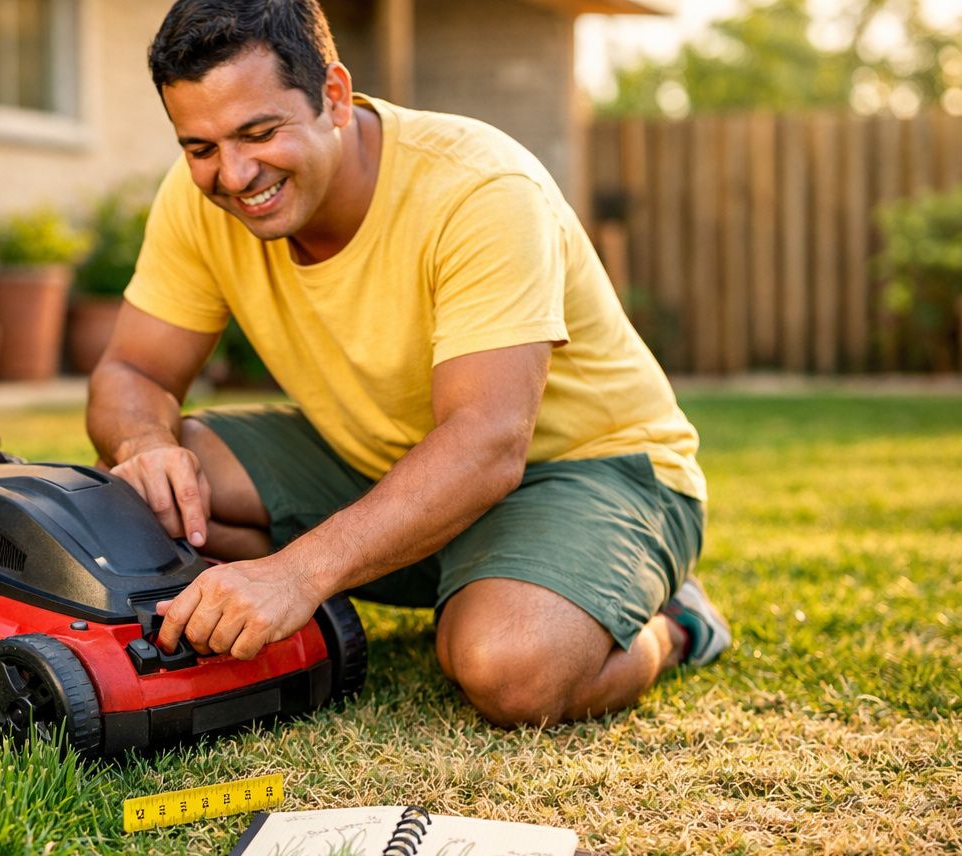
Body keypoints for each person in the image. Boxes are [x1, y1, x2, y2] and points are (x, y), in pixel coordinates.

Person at [86, 0, 731, 728]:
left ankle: (677, 623)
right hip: (389, 462)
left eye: (259, 132)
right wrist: (144, 446)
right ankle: (476, 572)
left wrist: (297, 576)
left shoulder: (479, 189)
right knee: (168, 483)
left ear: (333, 96)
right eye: (199, 147)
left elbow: (487, 444)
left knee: (510, 668)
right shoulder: (196, 202)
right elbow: (131, 374)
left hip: (591, 467)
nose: (233, 175)